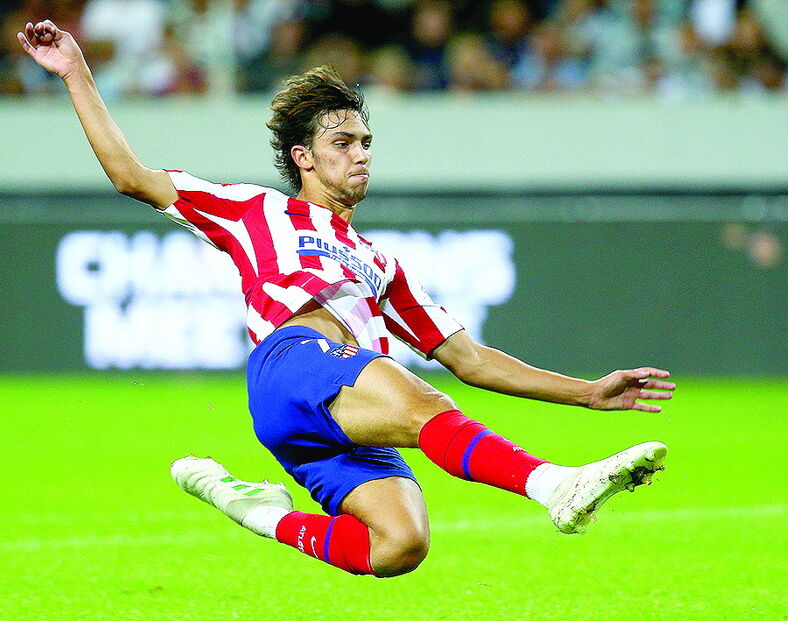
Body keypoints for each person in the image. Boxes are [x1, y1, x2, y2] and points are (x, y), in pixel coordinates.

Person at [18, 19, 675, 578]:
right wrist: (75, 70)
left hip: (333, 409)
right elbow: (130, 176)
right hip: (293, 364)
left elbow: (472, 359)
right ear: (304, 157)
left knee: (399, 543)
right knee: (426, 405)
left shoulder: (382, 265)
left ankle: (257, 508)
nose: (360, 155)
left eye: (365, 143)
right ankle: (553, 483)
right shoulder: (253, 209)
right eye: (343, 143)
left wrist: (587, 391)